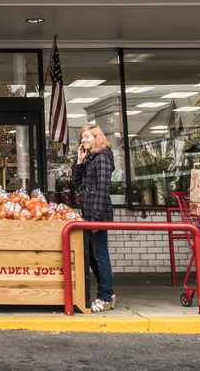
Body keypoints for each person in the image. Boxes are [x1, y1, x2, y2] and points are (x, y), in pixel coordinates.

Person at [71, 123, 116, 312]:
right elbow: (76, 184)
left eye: (87, 136)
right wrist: (79, 161)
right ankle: (107, 292)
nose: (83, 140)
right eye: (82, 137)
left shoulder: (103, 157)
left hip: (98, 215)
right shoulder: (89, 158)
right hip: (88, 214)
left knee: (100, 254)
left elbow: (103, 189)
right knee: (91, 255)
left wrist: (95, 219)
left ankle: (105, 296)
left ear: (97, 138)